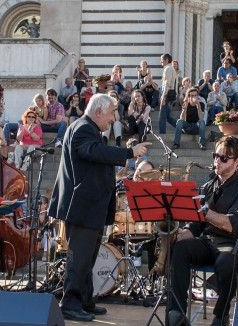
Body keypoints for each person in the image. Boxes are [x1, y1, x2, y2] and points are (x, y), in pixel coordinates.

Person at [48, 94, 150, 321]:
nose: (114, 118)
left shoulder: (89, 129)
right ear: (98, 112)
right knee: (79, 259)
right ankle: (70, 303)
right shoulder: (83, 128)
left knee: (88, 258)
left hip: (90, 207)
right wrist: (128, 153)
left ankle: (85, 300)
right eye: (112, 112)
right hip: (82, 207)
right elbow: (91, 152)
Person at [168, 136, 238, 326]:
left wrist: (204, 210)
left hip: (230, 244)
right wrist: (181, 233)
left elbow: (231, 224)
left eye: (224, 158)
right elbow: (197, 225)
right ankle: (177, 314)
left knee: (227, 262)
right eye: (216, 155)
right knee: (180, 249)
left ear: (237, 161)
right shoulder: (208, 186)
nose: (217, 160)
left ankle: (220, 316)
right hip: (207, 242)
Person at [158, 53, 178, 134]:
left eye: (162, 60)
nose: (160, 62)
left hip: (167, 94)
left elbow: (167, 83)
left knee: (162, 115)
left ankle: (162, 132)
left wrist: (163, 96)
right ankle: (181, 127)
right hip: (169, 93)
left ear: (166, 60)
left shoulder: (168, 69)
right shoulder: (170, 68)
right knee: (167, 116)